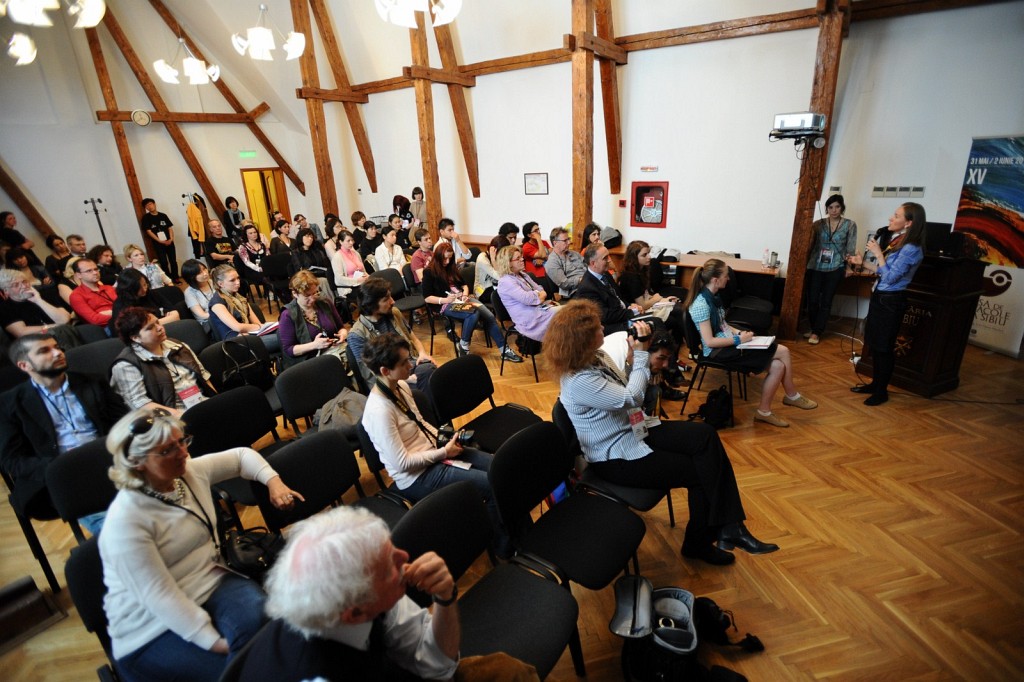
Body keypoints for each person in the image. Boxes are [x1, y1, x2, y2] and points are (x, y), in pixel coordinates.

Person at [548, 300, 779, 565]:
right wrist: (642, 355)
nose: (603, 328)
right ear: (583, 338)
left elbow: (627, 394)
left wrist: (634, 360)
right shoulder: (579, 380)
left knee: (705, 435)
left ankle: (731, 527)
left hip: (634, 428)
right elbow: (631, 397)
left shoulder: (596, 358)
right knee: (700, 472)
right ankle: (700, 543)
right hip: (614, 455)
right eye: (598, 327)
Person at [100, 407, 302, 682]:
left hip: (208, 582)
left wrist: (274, 483)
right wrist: (213, 642)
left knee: (267, 631)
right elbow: (160, 596)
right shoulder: (125, 521)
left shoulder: (187, 473)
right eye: (167, 450)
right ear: (136, 462)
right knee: (242, 666)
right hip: (149, 627)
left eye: (182, 441)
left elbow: (242, 457)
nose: (183, 453)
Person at [237, 506, 458, 681]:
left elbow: (435, 664)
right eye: (389, 566)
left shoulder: (361, 594)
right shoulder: (316, 672)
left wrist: (445, 598)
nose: (405, 557)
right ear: (355, 614)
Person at [361, 333, 508, 553]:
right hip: (416, 476)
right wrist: (443, 453)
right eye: (404, 363)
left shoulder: (400, 386)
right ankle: (501, 546)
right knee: (494, 485)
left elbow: (420, 423)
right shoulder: (378, 412)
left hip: (434, 454)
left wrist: (447, 440)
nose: (411, 365)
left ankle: (509, 529)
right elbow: (402, 463)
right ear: (385, 371)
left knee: (501, 469)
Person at [0, 333, 127, 527]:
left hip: (109, 458)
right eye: (44, 351)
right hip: (64, 474)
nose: (57, 353)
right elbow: (13, 460)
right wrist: (59, 468)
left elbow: (123, 422)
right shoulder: (9, 404)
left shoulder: (92, 382)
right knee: (116, 525)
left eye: (57, 347)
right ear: (24, 365)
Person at [684, 259, 816, 427]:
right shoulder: (701, 304)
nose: (728, 279)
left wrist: (739, 333)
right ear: (715, 280)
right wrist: (739, 339)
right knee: (783, 351)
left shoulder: (713, 297)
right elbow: (709, 342)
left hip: (728, 344)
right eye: (726, 275)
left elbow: (723, 325)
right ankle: (792, 395)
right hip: (718, 352)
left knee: (778, 366)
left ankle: (764, 412)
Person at [847, 202, 927, 406]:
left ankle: (881, 391)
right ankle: (875, 384)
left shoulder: (912, 248)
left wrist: (878, 254)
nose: (891, 218)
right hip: (881, 297)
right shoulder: (899, 241)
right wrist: (863, 263)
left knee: (883, 347)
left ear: (909, 223)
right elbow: (883, 271)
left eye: (897, 215)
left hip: (891, 301)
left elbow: (890, 278)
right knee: (874, 344)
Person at [421, 243, 522, 362]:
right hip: (444, 304)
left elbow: (464, 285)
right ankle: (464, 345)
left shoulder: (451, 268)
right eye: (445, 258)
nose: (447, 261)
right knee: (473, 314)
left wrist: (464, 295)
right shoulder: (429, 272)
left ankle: (504, 350)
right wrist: (445, 300)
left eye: (450, 258)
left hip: (461, 299)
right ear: (438, 257)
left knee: (489, 316)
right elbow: (427, 298)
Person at [111, 307, 216, 417]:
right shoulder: (126, 366)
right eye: (150, 328)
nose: (160, 328)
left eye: (157, 322)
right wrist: (184, 418)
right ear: (135, 338)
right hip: (173, 419)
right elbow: (142, 405)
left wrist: (215, 401)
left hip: (203, 405)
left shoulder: (178, 346)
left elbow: (203, 376)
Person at [348, 277, 436, 398]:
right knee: (428, 375)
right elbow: (371, 374)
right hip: (388, 381)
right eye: (386, 299)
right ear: (371, 305)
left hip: (409, 364)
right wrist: (406, 379)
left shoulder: (394, 313)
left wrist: (422, 354)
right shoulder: (356, 335)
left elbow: (414, 339)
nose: (393, 301)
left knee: (433, 374)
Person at [805, 194, 859, 345]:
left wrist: (849, 267)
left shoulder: (850, 225)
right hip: (815, 266)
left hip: (836, 266)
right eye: (830, 207)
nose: (834, 210)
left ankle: (817, 332)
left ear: (842, 208)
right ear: (826, 209)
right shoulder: (817, 224)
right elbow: (809, 245)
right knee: (812, 300)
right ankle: (813, 327)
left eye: (837, 207)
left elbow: (850, 248)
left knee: (826, 301)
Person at [620, 240, 686, 346]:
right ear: (634, 258)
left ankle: (685, 347)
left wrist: (664, 299)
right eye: (644, 255)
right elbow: (643, 305)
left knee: (678, 307)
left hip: (646, 305)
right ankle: (687, 347)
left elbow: (646, 295)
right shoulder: (631, 276)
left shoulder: (641, 270)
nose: (649, 257)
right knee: (676, 316)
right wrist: (657, 298)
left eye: (648, 253)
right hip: (637, 312)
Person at [278, 270, 348, 369]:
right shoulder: (287, 315)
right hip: (309, 361)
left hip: (333, 352)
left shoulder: (325, 303)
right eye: (307, 296)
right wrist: (314, 345)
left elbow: (341, 327)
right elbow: (289, 350)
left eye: (315, 293)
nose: (313, 299)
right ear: (295, 294)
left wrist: (343, 334)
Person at [208, 265, 280, 352]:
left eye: (238, 278)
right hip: (236, 342)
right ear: (220, 284)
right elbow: (237, 327)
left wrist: (262, 327)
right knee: (284, 338)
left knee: (285, 331)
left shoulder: (239, 297)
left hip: (250, 335)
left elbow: (256, 322)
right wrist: (259, 327)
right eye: (232, 280)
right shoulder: (217, 303)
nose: (238, 282)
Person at [575, 244, 644, 335]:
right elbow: (605, 316)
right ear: (593, 263)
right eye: (605, 258)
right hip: (610, 327)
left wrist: (630, 306)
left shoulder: (605, 274)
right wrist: (632, 312)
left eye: (608, 256)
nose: (609, 260)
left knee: (656, 320)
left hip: (622, 316)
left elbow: (618, 298)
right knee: (653, 323)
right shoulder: (587, 288)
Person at [494, 245, 558, 341]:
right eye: (518, 258)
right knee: (564, 315)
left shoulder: (523, 275)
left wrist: (537, 295)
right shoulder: (506, 281)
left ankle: (561, 345)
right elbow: (527, 299)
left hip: (537, 310)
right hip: (528, 320)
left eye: (521, 257)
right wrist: (537, 294)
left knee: (568, 315)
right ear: (508, 263)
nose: (522, 259)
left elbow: (541, 289)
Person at [0, 268, 75, 344]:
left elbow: (65, 319)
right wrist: (55, 327)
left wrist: (38, 301)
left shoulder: (42, 295)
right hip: (37, 343)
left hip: (64, 336)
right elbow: (22, 332)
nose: (23, 286)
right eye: (16, 285)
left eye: (24, 282)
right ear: (6, 291)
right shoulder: (5, 308)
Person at [108, 269, 179, 334]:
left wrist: (150, 325)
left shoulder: (150, 293)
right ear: (129, 289)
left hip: (165, 331)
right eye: (139, 288)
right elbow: (135, 331)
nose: (144, 289)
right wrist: (165, 318)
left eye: (145, 284)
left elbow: (175, 315)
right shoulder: (121, 305)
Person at [68, 257, 117, 326]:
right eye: (89, 271)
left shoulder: (109, 288)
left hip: (124, 322)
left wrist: (111, 313)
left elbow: (127, 307)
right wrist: (118, 314)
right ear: (78, 275)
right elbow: (95, 320)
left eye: (96, 269)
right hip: (104, 328)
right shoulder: (76, 296)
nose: (95, 273)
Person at [140, 198, 178, 280]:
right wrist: (160, 241)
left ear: (154, 204)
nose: (149, 206)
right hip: (158, 243)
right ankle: (167, 279)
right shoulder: (146, 218)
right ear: (145, 208)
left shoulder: (163, 215)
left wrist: (171, 239)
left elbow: (170, 228)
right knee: (163, 262)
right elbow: (149, 231)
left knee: (173, 261)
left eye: (150, 204)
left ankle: (176, 278)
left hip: (169, 242)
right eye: (147, 206)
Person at [545, 226, 586, 299]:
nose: (569, 242)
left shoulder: (574, 253)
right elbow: (564, 284)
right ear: (555, 243)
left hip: (588, 283)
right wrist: (581, 280)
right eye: (565, 241)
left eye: (569, 239)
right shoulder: (552, 262)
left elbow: (588, 266)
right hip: (575, 291)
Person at [330, 229, 368, 299]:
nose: (351, 243)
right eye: (348, 241)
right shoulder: (337, 257)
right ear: (341, 242)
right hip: (349, 288)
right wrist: (357, 280)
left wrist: (367, 277)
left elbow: (364, 271)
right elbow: (339, 279)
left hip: (361, 283)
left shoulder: (356, 253)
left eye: (352, 240)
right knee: (369, 293)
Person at [182, 259, 215, 331]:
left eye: (204, 269)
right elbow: (202, 315)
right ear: (191, 277)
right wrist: (222, 314)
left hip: (223, 315)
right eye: (199, 273)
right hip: (207, 323)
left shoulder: (213, 282)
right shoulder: (189, 293)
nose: (205, 273)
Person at [472, 236, 506, 302]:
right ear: (495, 250)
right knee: (504, 295)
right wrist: (493, 260)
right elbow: (499, 277)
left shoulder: (498, 257)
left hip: (495, 286)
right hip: (481, 290)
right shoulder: (482, 259)